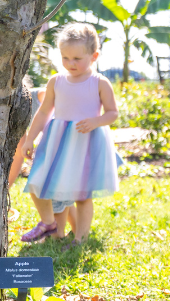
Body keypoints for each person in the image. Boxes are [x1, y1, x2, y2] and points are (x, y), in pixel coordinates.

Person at [22, 24, 118, 244]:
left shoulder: (100, 83)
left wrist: (97, 121)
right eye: (65, 58)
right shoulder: (57, 81)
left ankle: (80, 240)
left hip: (86, 142)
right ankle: (51, 224)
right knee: (40, 183)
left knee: (82, 195)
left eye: (77, 58)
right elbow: (45, 111)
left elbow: (113, 113)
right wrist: (30, 138)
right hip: (57, 141)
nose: (70, 64)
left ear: (94, 56)